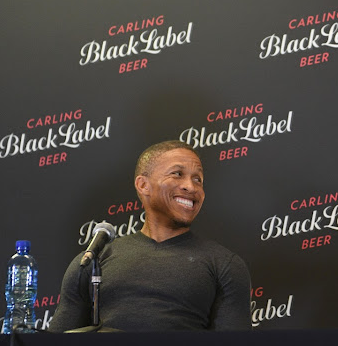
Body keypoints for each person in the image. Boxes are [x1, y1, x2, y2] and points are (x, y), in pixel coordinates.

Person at [48, 140, 251, 332]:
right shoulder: (93, 261)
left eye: (198, 179)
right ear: (143, 185)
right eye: (178, 174)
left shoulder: (224, 264)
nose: (191, 187)